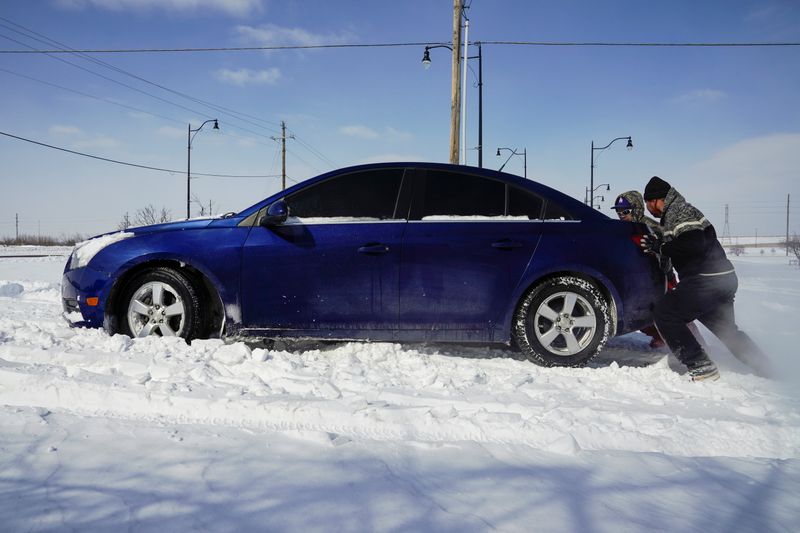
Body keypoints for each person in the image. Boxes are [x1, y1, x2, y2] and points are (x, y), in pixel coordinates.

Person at [639, 176, 770, 381]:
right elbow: (685, 242)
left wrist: (662, 248)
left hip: (706, 281)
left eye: (648, 202)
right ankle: (766, 368)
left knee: (666, 313)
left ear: (658, 200)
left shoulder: (680, 212)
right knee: (727, 331)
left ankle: (700, 365)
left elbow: (694, 243)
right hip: (722, 280)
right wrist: (661, 245)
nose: (648, 208)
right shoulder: (679, 212)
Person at [611, 190, 704, 350]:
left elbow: (667, 251)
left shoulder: (650, 227)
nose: (621, 215)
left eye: (625, 211)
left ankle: (698, 347)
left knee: (672, 314)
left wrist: (663, 269)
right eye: (619, 212)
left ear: (636, 209)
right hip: (639, 280)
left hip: (661, 279)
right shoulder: (624, 230)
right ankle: (660, 339)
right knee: (641, 312)